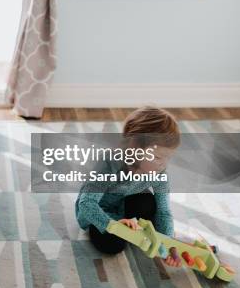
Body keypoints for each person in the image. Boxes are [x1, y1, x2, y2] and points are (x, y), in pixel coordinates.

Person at [75, 107, 182, 267]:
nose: (163, 164)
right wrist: (115, 225)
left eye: (168, 158)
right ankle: (125, 229)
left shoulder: (159, 172)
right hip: (100, 212)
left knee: (148, 203)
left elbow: (164, 211)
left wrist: (167, 242)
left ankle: (137, 228)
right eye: (158, 157)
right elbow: (86, 204)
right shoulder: (109, 163)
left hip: (127, 205)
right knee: (112, 245)